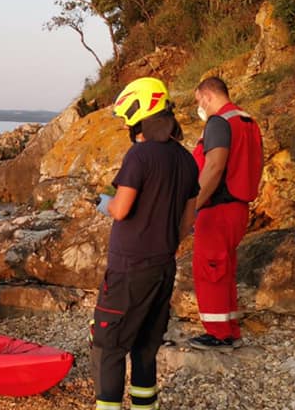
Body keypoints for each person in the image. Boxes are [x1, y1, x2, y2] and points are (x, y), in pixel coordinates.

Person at [92, 77, 199, 410]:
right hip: (162, 267)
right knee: (144, 348)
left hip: (129, 269)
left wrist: (104, 202)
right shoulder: (186, 160)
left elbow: (121, 209)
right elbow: (188, 223)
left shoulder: (139, 156)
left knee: (108, 347)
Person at [189, 76, 263, 351]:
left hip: (217, 208)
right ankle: (231, 330)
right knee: (225, 269)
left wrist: (193, 205)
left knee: (210, 270)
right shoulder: (247, 121)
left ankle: (219, 335)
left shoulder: (219, 122)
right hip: (239, 207)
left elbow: (214, 167)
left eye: (199, 101)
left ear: (207, 96)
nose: (200, 107)